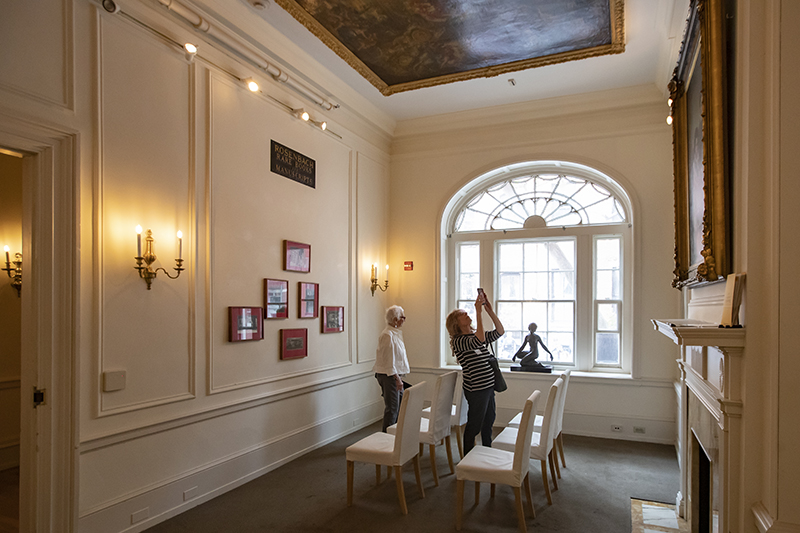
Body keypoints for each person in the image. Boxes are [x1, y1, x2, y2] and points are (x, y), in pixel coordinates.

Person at [445, 291, 505, 455]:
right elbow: (479, 340)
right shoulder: (460, 341)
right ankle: (467, 457)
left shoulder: (473, 335)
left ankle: (487, 451)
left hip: (488, 387)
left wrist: (489, 311)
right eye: (463, 315)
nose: (467, 314)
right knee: (474, 424)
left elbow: (500, 331)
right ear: (456, 323)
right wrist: (478, 312)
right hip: (477, 389)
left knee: (489, 421)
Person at [373, 305, 410, 432]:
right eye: (403, 317)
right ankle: (386, 437)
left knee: (398, 408)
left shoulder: (395, 334)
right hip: (389, 376)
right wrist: (397, 379)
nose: (404, 320)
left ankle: (395, 435)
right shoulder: (387, 335)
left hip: (394, 376)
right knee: (392, 409)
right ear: (395, 319)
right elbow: (389, 360)